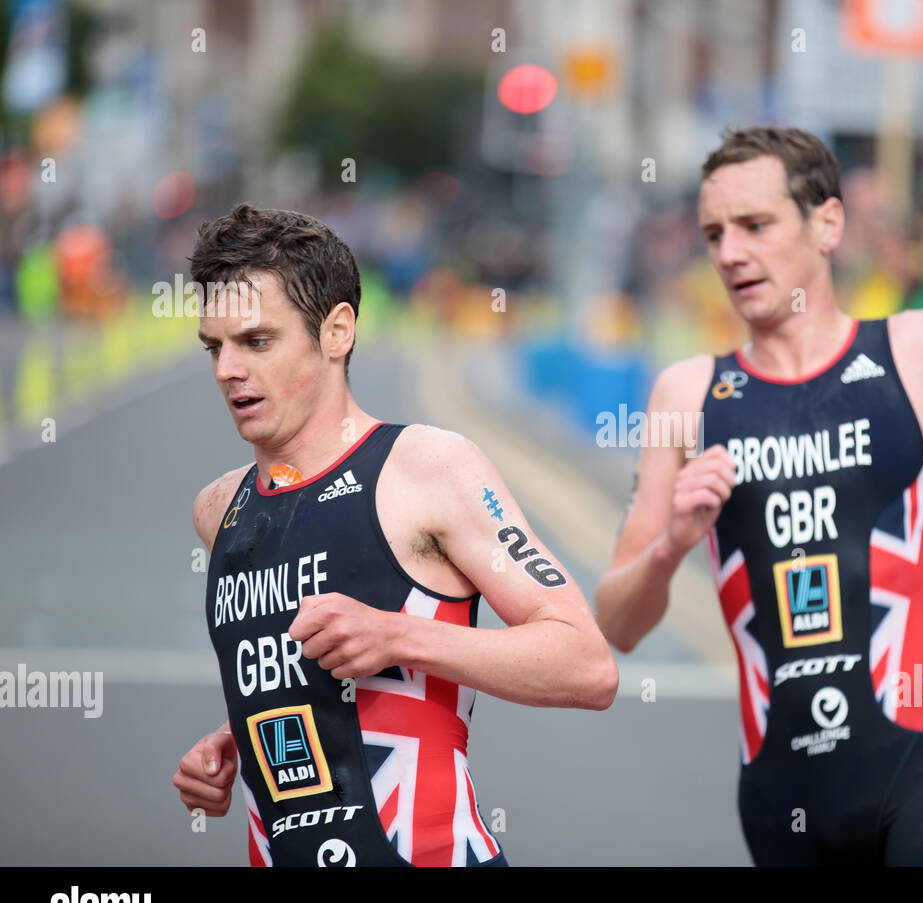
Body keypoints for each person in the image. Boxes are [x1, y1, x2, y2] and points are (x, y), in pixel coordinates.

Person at [595, 127, 923, 866]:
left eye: (755, 226)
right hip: (784, 795)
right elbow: (618, 624)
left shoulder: (921, 348)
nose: (729, 253)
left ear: (827, 223)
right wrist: (671, 546)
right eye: (714, 233)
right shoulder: (686, 395)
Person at [172, 203, 618, 867]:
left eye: (257, 342)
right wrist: (238, 737)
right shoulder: (219, 508)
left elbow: (587, 665)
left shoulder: (428, 468)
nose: (227, 371)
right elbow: (323, 696)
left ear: (336, 332)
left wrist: (396, 636)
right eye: (216, 346)